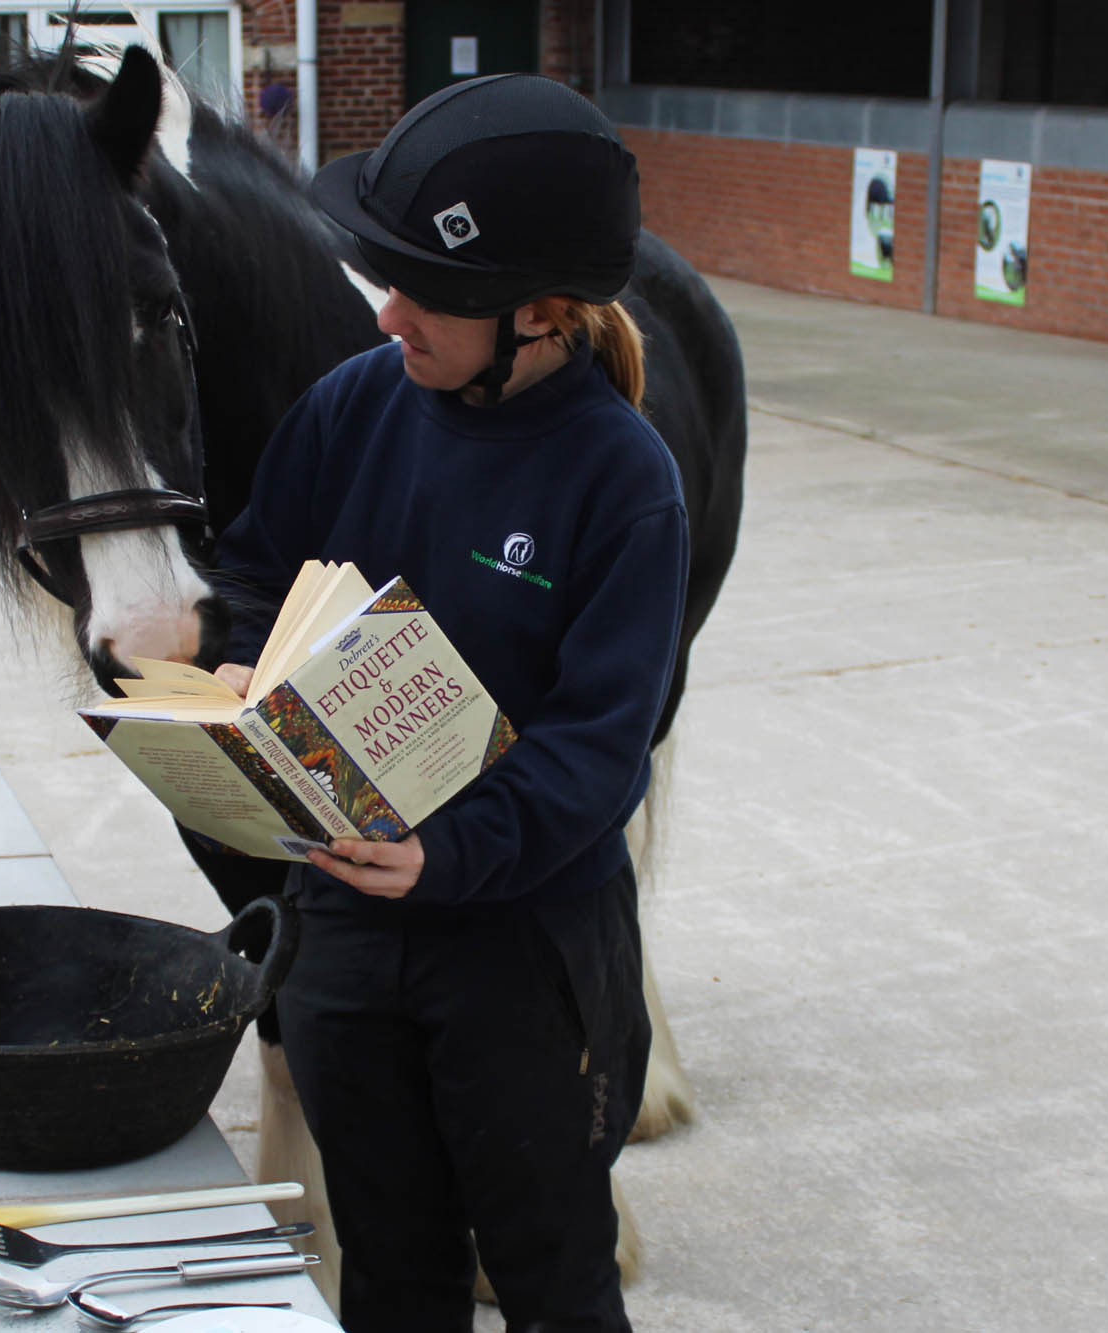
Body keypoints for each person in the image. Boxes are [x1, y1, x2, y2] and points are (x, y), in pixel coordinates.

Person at [209, 74, 688, 1333]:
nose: (391, 312)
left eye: (431, 290)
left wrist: (449, 850)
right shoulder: (354, 403)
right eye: (384, 273)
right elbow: (259, 563)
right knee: (393, 1273)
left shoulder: (619, 479)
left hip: (521, 954)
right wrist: (230, 659)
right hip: (346, 934)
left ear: (537, 312)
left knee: (552, 1279)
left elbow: (599, 748)